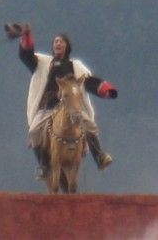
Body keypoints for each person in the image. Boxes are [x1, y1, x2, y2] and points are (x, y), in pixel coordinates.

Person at [7, 23, 117, 179]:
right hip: (47, 107)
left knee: (88, 125)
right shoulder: (42, 63)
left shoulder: (76, 66)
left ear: (67, 46)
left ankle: (99, 156)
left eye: (61, 41)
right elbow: (26, 55)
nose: (58, 43)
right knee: (34, 131)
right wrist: (26, 35)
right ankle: (43, 165)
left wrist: (107, 90)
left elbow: (90, 82)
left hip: (71, 107)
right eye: (55, 42)